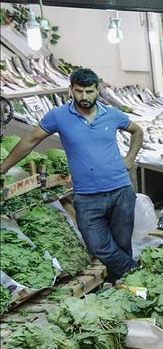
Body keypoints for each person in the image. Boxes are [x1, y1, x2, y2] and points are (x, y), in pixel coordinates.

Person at [0, 68, 143, 282]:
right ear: (70, 90)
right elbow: (29, 142)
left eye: (89, 91)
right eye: (79, 91)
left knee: (122, 242)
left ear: (97, 90)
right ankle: (134, 272)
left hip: (121, 191)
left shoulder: (112, 115)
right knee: (97, 246)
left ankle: (122, 285)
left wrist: (130, 159)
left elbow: (137, 131)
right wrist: (2, 169)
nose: (84, 97)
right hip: (87, 197)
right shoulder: (58, 116)